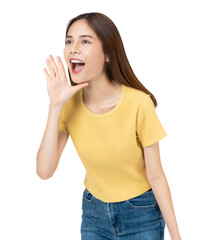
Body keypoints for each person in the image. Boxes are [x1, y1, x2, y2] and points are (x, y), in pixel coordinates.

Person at [36, 12, 181, 240]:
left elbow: (156, 176)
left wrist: (176, 236)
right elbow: (44, 171)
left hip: (141, 213)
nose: (73, 48)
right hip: (94, 213)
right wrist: (55, 106)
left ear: (107, 54)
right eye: (69, 41)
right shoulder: (67, 105)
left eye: (85, 41)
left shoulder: (138, 103)